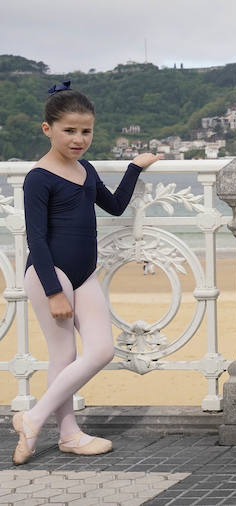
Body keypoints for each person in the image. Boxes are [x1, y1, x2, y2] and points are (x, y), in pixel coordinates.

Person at [13, 82, 160, 465]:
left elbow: (113, 206)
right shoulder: (38, 178)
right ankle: (68, 435)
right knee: (63, 355)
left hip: (85, 274)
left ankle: (32, 418)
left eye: (86, 131)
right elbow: (37, 239)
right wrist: (53, 291)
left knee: (101, 351)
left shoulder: (86, 169)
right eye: (69, 130)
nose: (79, 139)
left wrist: (133, 169)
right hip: (51, 275)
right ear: (48, 129)